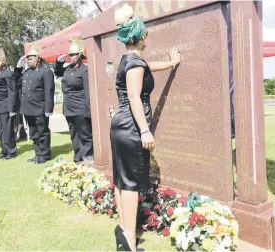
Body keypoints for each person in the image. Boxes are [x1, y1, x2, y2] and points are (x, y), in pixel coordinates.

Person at [111, 5, 181, 251]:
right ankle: (129, 241)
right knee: (130, 184)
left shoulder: (129, 60)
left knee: (121, 181)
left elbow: (147, 67)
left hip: (120, 124)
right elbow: (133, 96)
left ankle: (122, 231)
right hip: (132, 126)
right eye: (146, 35)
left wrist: (171, 63)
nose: (147, 38)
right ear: (139, 36)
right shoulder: (135, 64)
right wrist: (145, 130)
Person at [54, 39, 93, 163]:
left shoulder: (84, 70)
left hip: (81, 108)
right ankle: (78, 158)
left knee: (85, 136)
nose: (70, 57)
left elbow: (88, 92)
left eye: (72, 55)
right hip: (69, 108)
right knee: (74, 135)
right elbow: (57, 72)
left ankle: (87, 159)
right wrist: (59, 63)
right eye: (69, 55)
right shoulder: (67, 69)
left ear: (80, 55)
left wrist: (88, 111)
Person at [14, 45, 55, 164]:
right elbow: (15, 83)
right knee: (33, 133)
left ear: (38, 58)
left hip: (40, 108)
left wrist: (48, 108)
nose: (28, 61)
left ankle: (45, 154)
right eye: (27, 59)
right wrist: (17, 68)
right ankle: (38, 154)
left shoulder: (46, 72)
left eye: (30, 58)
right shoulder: (26, 72)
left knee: (43, 132)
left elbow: (49, 91)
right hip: (27, 108)